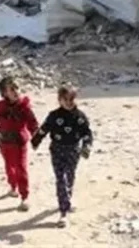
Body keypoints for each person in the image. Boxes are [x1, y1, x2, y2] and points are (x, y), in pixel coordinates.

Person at [31, 86, 93, 228]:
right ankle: (63, 212)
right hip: (57, 150)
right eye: (66, 99)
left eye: (72, 99)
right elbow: (44, 128)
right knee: (61, 178)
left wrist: (86, 146)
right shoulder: (54, 116)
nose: (69, 102)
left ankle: (67, 197)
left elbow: (87, 133)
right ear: (59, 100)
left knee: (69, 176)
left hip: (73, 150)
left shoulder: (80, 117)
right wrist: (36, 140)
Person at [0, 76, 39, 211]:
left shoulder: (25, 107)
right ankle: (13, 186)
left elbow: (32, 123)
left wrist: (36, 138)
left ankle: (24, 196)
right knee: (9, 166)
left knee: (21, 168)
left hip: (19, 143)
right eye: (11, 89)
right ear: (5, 93)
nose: (16, 91)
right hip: (4, 142)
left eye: (17, 88)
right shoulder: (1, 106)